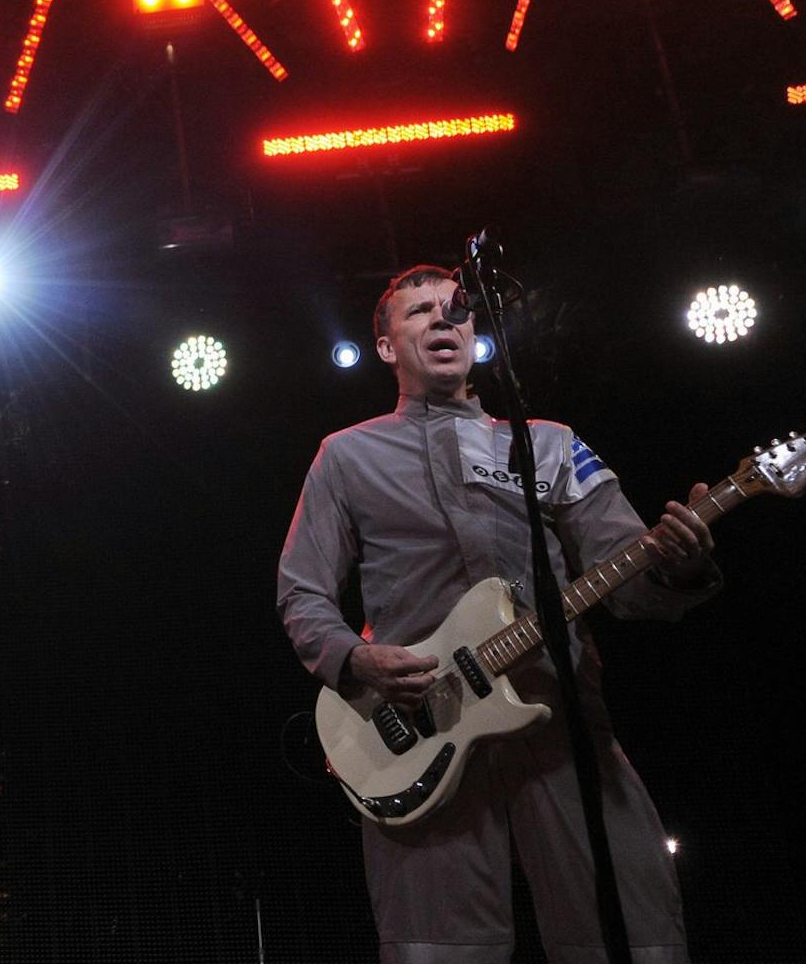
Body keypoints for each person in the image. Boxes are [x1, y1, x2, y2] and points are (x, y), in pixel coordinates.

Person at [276, 265, 719, 963]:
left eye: (456, 311)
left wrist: (679, 563)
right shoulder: (346, 455)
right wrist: (356, 660)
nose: (442, 320)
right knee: (439, 950)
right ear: (389, 346)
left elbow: (630, 579)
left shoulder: (549, 443)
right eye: (419, 312)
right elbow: (302, 592)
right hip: (420, 727)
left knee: (633, 933)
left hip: (562, 720)